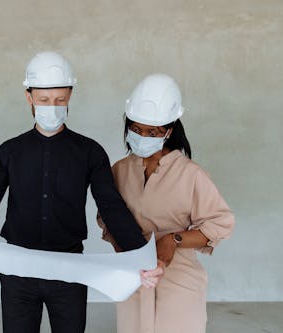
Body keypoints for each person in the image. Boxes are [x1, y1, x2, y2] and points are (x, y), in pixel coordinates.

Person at [0, 52, 165, 333]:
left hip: (69, 268)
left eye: (60, 100)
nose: (52, 107)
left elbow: (111, 207)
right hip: (18, 269)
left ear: (70, 97)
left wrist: (140, 256)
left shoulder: (90, 152)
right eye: (44, 100)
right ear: (29, 98)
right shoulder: (10, 151)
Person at [97, 73, 235, 333]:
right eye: (136, 129)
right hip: (132, 277)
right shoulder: (119, 171)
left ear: (169, 130)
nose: (142, 136)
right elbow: (107, 218)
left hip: (178, 280)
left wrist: (173, 240)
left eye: (153, 132)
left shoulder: (190, 174)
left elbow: (221, 224)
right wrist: (126, 254)